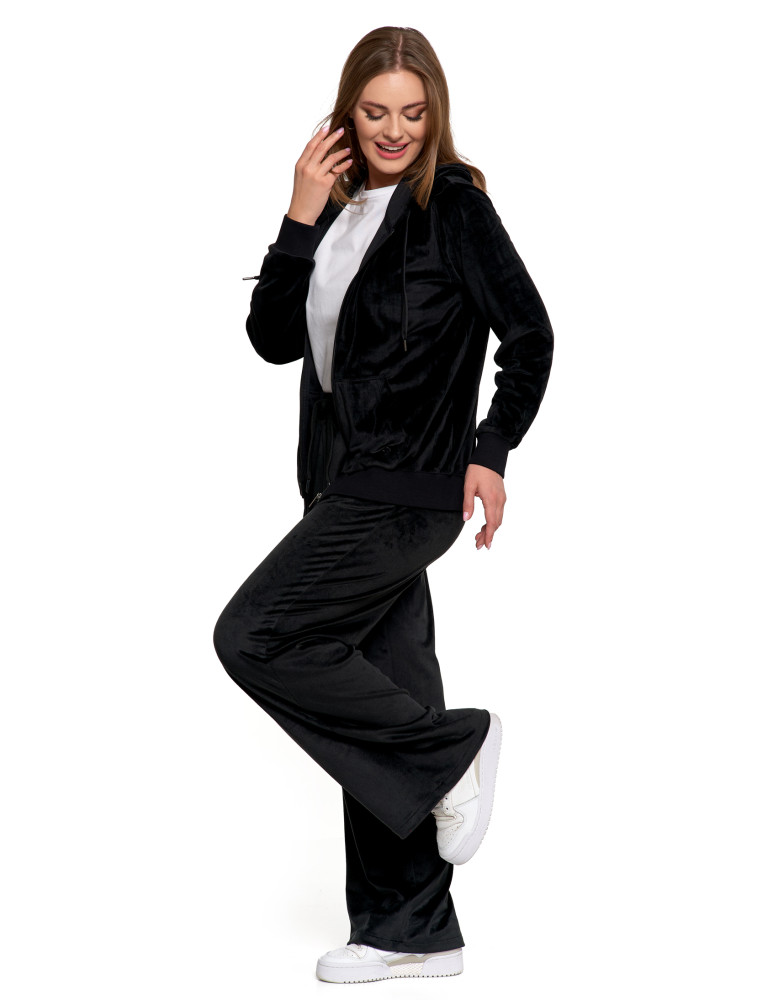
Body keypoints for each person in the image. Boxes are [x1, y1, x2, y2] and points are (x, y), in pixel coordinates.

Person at [213, 25, 554, 984]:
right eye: (374, 112)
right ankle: (412, 929)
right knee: (383, 692)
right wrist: (299, 215)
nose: (394, 130)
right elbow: (274, 340)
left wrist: (491, 450)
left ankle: (454, 751)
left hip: (405, 488)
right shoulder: (336, 207)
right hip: (336, 484)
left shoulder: (455, 206)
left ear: (434, 113)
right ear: (347, 114)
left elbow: (530, 335)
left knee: (254, 635)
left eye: (412, 112)